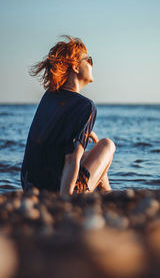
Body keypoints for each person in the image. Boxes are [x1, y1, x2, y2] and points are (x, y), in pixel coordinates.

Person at [20, 35, 116, 195]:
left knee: (93, 151)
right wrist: (64, 202)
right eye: (89, 60)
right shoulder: (86, 106)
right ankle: (104, 195)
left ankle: (108, 194)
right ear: (76, 68)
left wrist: (85, 132)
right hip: (56, 189)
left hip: (29, 184)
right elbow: (71, 159)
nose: (92, 64)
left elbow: (49, 138)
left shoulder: (49, 96)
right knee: (106, 145)